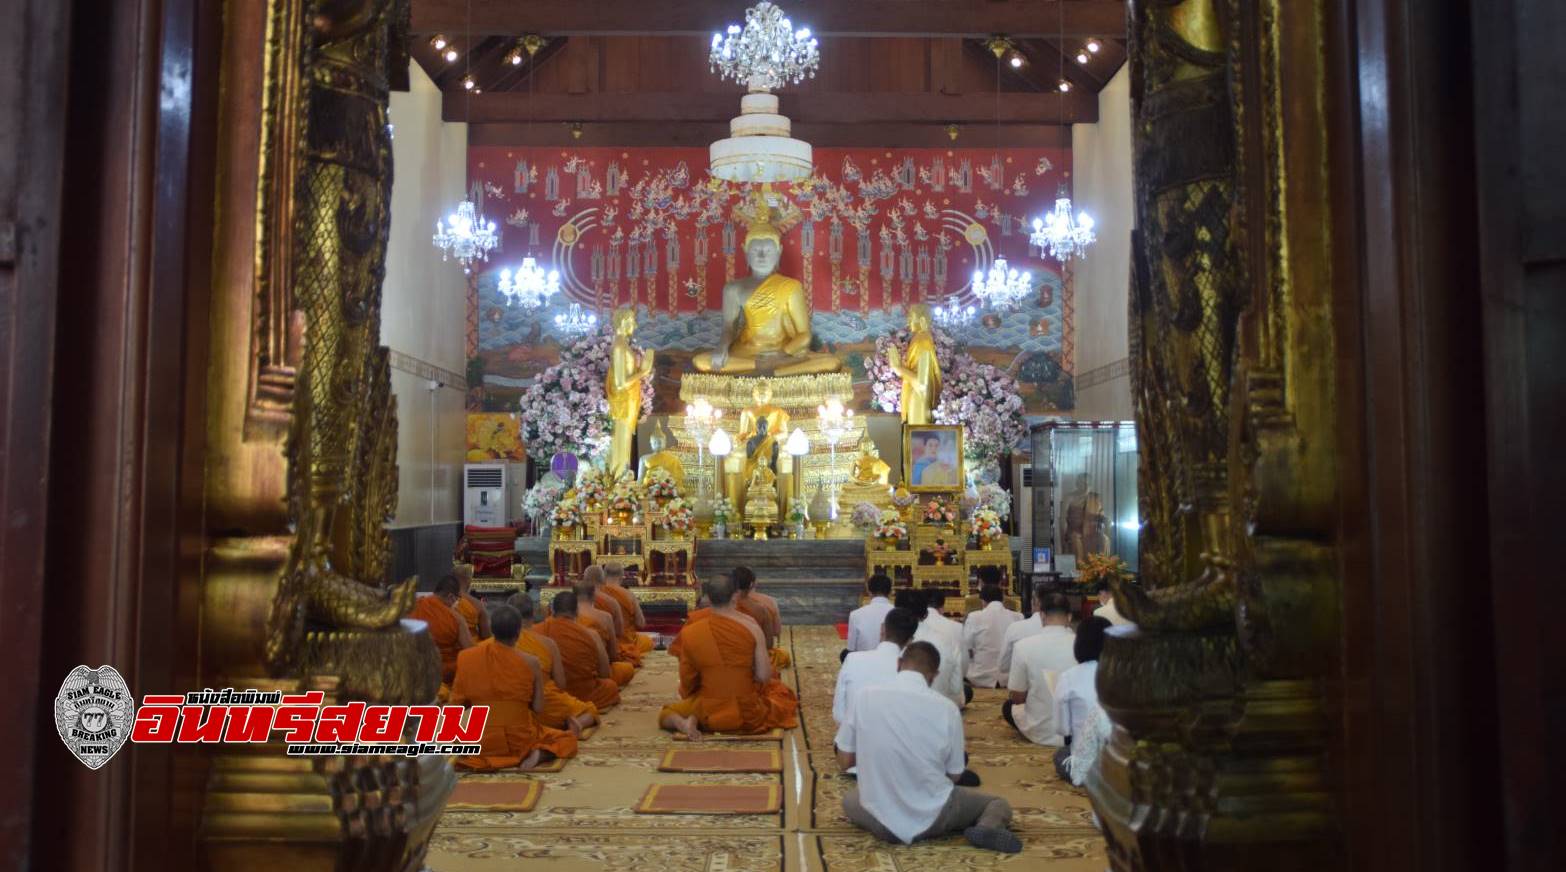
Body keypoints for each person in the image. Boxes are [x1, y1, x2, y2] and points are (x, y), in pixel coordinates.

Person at [837, 642, 1022, 853]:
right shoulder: (947, 709)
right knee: (997, 804)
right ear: (934, 675)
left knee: (850, 799)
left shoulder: (865, 696)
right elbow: (953, 775)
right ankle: (987, 827)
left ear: (899, 664)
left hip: (877, 815)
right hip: (934, 817)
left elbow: (845, 760)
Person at [659, 575, 799, 739]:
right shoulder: (751, 626)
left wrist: (694, 696)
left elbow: (688, 681)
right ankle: (698, 716)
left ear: (708, 598)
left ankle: (683, 723)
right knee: (782, 697)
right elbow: (763, 676)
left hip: (709, 709)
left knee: (666, 713)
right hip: (747, 714)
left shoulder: (691, 632)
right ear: (735, 596)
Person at [449, 604, 579, 772]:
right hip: (520, 740)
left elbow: (456, 705)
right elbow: (539, 708)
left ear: (492, 631)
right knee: (567, 740)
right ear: (519, 633)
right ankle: (539, 754)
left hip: (482, 741)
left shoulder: (467, 657)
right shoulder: (531, 662)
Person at [507, 593, 598, 734]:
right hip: (546, 707)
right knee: (590, 710)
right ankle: (577, 724)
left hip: (512, 707)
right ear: (532, 615)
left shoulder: (494, 645)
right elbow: (561, 684)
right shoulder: (548, 644)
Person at [1003, 593, 1078, 745]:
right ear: (1069, 617)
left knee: (1008, 707)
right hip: (1077, 729)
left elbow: (1017, 696)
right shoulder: (1082, 644)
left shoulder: (1024, 645)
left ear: (1042, 615)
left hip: (1041, 730)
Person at [534, 591, 621, 711]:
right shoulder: (592, 634)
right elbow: (605, 673)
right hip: (585, 693)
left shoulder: (538, 632)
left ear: (552, 611)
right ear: (576, 612)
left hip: (554, 695)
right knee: (611, 687)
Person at [1053, 617, 1113, 785]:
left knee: (1060, 755)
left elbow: (1062, 728)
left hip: (1089, 767)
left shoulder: (1069, 676)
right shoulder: (1128, 675)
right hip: (1123, 762)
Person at [833, 606, 918, 725]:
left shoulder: (852, 659)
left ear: (882, 628)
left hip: (852, 736)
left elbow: (838, 713)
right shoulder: (913, 671)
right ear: (910, 640)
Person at [898, 590, 965, 709]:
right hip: (941, 708)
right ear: (925, 614)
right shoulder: (948, 641)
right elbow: (956, 688)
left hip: (900, 709)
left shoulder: (894, 644)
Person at [406, 574, 474, 687]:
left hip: (416, 668)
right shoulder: (456, 618)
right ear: (451, 596)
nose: (457, 603)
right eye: (457, 599)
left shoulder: (414, 606)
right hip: (444, 671)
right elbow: (470, 650)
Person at [574, 571, 637, 684]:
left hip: (569, 674)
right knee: (626, 670)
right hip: (595, 671)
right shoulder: (605, 616)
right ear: (594, 596)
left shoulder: (561, 618)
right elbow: (613, 655)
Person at [732, 566, 791, 671]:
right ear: (752, 584)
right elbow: (773, 638)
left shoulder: (721, 605)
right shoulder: (762, 608)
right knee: (782, 656)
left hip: (727, 655)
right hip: (753, 658)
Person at [963, 584, 1022, 688]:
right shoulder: (1018, 616)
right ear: (1003, 600)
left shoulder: (974, 617)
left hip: (981, 674)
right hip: (1010, 675)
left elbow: (967, 647)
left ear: (983, 601)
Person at [923, 588, 971, 704]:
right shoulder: (957, 627)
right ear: (942, 607)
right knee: (966, 690)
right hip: (949, 696)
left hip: (917, 691)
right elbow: (964, 664)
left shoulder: (915, 625)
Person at [598, 562, 656, 656]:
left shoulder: (598, 594)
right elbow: (640, 623)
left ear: (604, 575)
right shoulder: (629, 595)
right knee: (647, 642)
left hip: (604, 643)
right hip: (626, 643)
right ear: (622, 576)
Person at [998, 583, 1054, 678]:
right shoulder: (1069, 634)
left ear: (1035, 602)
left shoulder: (1016, 628)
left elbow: (1003, 666)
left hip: (1023, 686)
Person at [845, 574, 895, 658]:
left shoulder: (855, 615)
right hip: (891, 666)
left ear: (869, 591)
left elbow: (851, 649)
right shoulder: (899, 613)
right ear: (890, 591)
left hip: (863, 666)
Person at [451, 564, 493, 642]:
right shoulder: (477, 605)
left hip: (445, 647)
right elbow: (486, 635)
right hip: (470, 647)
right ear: (468, 580)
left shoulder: (442, 599)